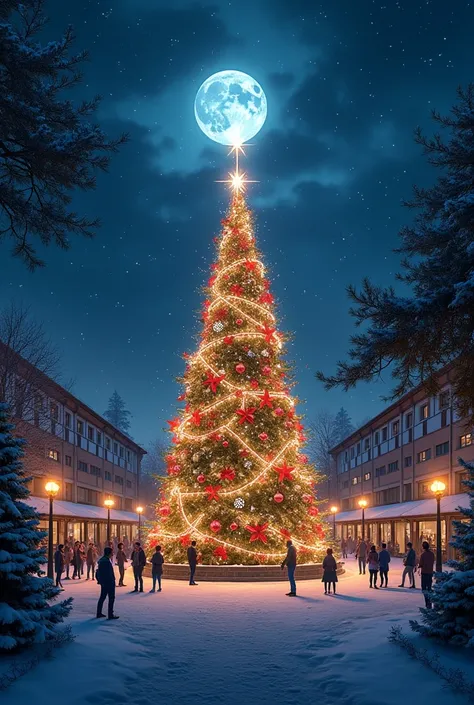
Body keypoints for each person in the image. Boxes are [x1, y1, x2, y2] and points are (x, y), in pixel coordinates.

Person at [96, 547, 119, 620]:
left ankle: (99, 613)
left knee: (102, 597)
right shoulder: (106, 562)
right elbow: (109, 573)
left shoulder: (102, 561)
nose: (113, 554)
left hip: (104, 582)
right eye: (112, 552)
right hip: (109, 582)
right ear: (109, 553)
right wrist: (112, 581)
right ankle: (110, 614)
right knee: (111, 598)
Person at [418, 541, 435, 608]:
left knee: (424, 588)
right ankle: (429, 602)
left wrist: (419, 566)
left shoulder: (423, 555)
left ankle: (427, 603)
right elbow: (432, 561)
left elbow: (421, 564)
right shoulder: (432, 554)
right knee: (429, 588)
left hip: (424, 572)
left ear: (423, 547)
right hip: (430, 572)